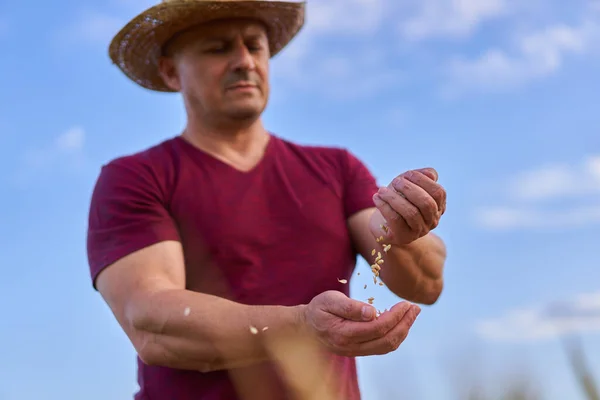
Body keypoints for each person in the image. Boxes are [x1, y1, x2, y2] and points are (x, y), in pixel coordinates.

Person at [86, 0, 448, 399]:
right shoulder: (136, 178)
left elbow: (425, 281)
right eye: (218, 48)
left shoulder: (336, 169)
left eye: (255, 46)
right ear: (172, 72)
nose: (244, 61)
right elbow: (152, 323)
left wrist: (404, 225)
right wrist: (302, 326)